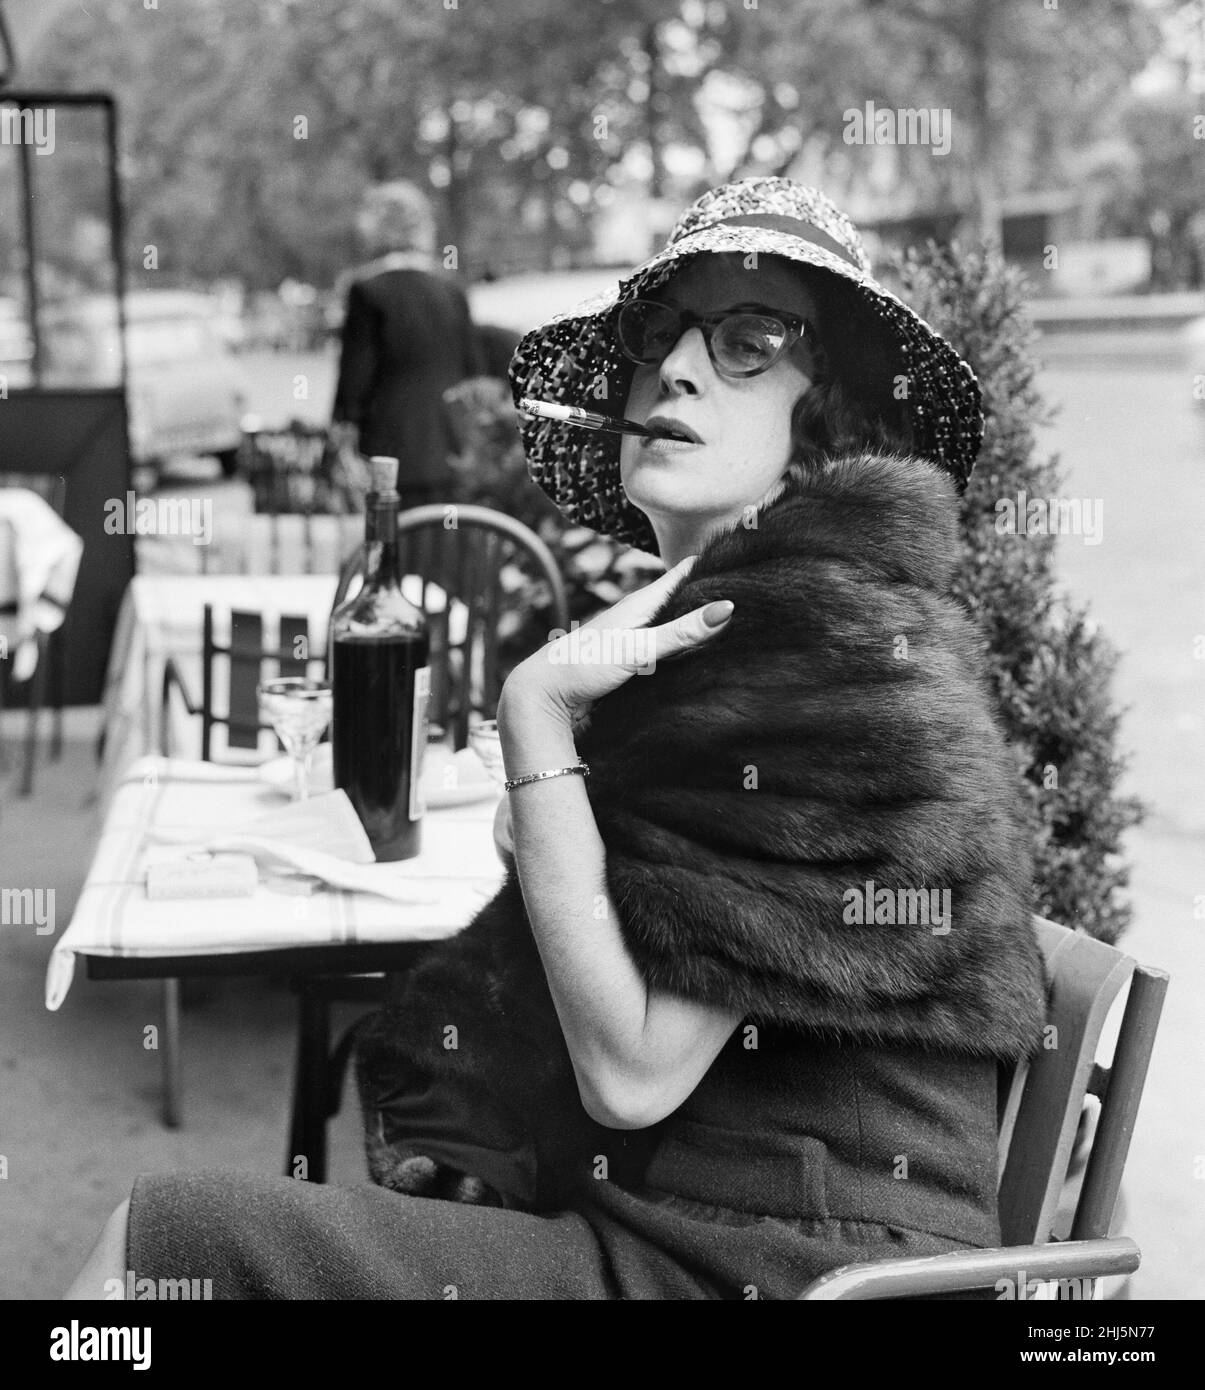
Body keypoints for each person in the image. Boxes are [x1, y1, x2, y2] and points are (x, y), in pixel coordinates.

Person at [67, 178, 1046, 1301]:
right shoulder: (729, 630)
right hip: (685, 1216)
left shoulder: (820, 651)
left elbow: (629, 1071)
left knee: (151, 1250)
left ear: (825, 417)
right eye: (656, 334)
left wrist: (534, 717)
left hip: (787, 1266)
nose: (674, 367)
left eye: (746, 340)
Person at [330, 180, 482, 506]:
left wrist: (341, 437)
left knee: (394, 545)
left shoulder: (367, 290)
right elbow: (473, 371)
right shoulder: (452, 290)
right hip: (451, 447)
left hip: (389, 448)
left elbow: (355, 379)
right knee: (442, 546)